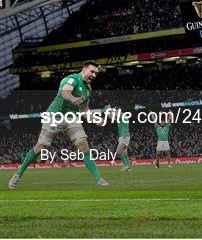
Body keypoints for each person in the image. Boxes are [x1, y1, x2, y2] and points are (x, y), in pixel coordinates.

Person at [8, 61, 109, 189]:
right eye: (92, 72)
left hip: (71, 118)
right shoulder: (72, 79)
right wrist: (73, 99)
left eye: (96, 73)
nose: (94, 75)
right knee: (40, 147)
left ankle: (99, 179)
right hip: (54, 116)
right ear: (84, 70)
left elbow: (84, 111)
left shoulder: (88, 89)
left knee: (83, 144)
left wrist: (95, 119)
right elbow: (65, 93)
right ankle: (17, 174)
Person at [106, 106, 132, 172]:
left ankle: (125, 165)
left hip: (124, 135)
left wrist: (109, 109)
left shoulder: (122, 115)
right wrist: (107, 111)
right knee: (125, 153)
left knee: (118, 151)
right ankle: (128, 167)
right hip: (123, 135)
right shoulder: (120, 116)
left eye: (116, 110)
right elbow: (111, 117)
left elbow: (114, 115)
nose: (116, 112)